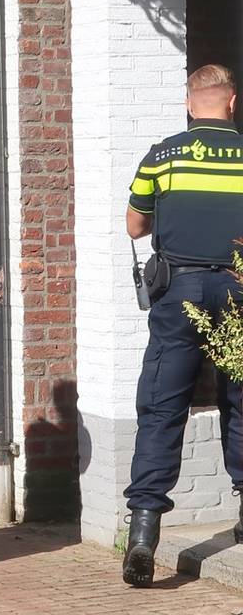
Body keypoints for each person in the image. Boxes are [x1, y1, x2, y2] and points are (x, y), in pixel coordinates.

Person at [121, 63, 243, 587]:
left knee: (162, 407)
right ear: (232, 103)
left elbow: (134, 223)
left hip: (180, 293)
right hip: (239, 291)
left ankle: (144, 533)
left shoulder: (163, 153)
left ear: (190, 104)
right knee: (239, 400)